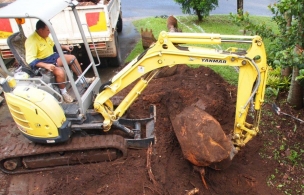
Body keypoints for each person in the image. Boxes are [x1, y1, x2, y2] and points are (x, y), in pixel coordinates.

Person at [25, 20, 94, 103]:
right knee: (61, 72)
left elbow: (54, 47)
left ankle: (82, 80)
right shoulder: (31, 41)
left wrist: (65, 47)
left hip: (53, 57)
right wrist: (46, 66)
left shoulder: (45, 36)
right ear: (40, 30)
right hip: (44, 62)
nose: (49, 32)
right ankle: (64, 93)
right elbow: (31, 60)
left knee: (72, 58)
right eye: (48, 30)